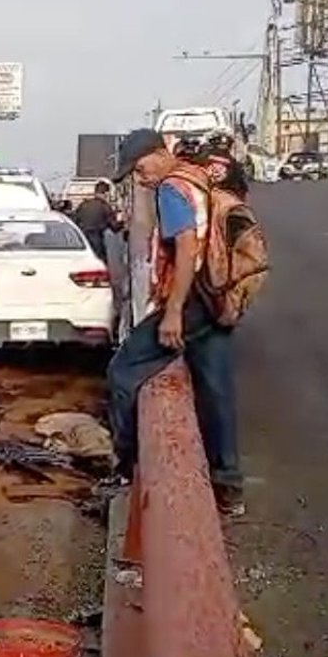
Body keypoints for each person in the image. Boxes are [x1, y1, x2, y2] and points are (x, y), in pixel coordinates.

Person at [105, 128, 244, 517]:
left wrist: (172, 312)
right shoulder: (198, 178)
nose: (139, 176)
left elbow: (186, 247)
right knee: (216, 390)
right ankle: (228, 485)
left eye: (139, 167)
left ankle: (126, 467)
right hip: (216, 293)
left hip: (191, 300)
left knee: (123, 371)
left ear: (156, 154)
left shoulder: (170, 188)